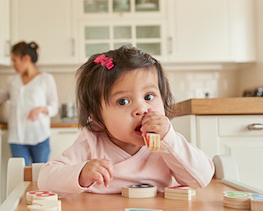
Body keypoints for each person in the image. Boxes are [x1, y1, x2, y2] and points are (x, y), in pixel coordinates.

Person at [38, 45, 214, 195]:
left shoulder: (166, 143)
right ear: (96, 117)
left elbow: (202, 178)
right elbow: (45, 178)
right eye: (123, 101)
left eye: (149, 96)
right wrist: (81, 174)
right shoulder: (92, 143)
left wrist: (170, 139)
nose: (142, 109)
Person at [0, 41, 59, 166]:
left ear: (26, 58)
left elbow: (54, 107)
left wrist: (40, 109)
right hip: (17, 138)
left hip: (40, 136)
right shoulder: (12, 81)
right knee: (20, 177)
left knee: (40, 177)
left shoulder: (46, 79)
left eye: (15, 60)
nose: (13, 64)